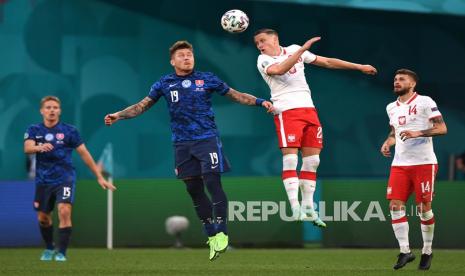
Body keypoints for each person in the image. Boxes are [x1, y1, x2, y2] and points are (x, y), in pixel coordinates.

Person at [104, 40, 273, 261]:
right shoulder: (165, 83)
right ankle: (211, 233)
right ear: (172, 61)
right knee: (193, 188)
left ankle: (222, 232)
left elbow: (235, 94)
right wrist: (119, 115)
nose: (187, 58)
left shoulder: (207, 79)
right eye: (182, 55)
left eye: (189, 55)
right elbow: (142, 105)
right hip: (181, 144)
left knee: (213, 182)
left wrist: (261, 102)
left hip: (207, 139)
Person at [253, 29, 377, 226]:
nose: (260, 45)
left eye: (263, 41)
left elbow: (327, 62)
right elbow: (279, 70)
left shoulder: (293, 50)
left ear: (275, 39)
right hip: (287, 111)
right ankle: (295, 207)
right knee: (291, 159)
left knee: (313, 161)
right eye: (257, 43)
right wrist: (302, 50)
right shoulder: (263, 60)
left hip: (308, 110)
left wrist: (359, 66)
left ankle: (309, 208)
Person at [24, 96, 116, 262]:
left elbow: (84, 153)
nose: (52, 110)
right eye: (48, 107)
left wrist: (99, 176)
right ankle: (49, 247)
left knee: (64, 211)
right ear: (42, 111)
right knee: (43, 218)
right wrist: (39, 147)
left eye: (55, 107)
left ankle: (62, 253)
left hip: (65, 178)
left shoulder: (69, 131)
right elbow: (28, 148)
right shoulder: (34, 129)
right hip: (43, 180)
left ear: (60, 110)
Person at [380, 69, 447, 270]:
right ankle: (405, 251)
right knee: (394, 205)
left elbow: (442, 128)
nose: (397, 82)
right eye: (395, 79)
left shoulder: (425, 101)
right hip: (400, 164)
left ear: (413, 84)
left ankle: (427, 251)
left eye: (402, 79)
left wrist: (418, 132)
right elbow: (394, 132)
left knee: (423, 208)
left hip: (424, 163)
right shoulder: (391, 107)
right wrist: (388, 142)